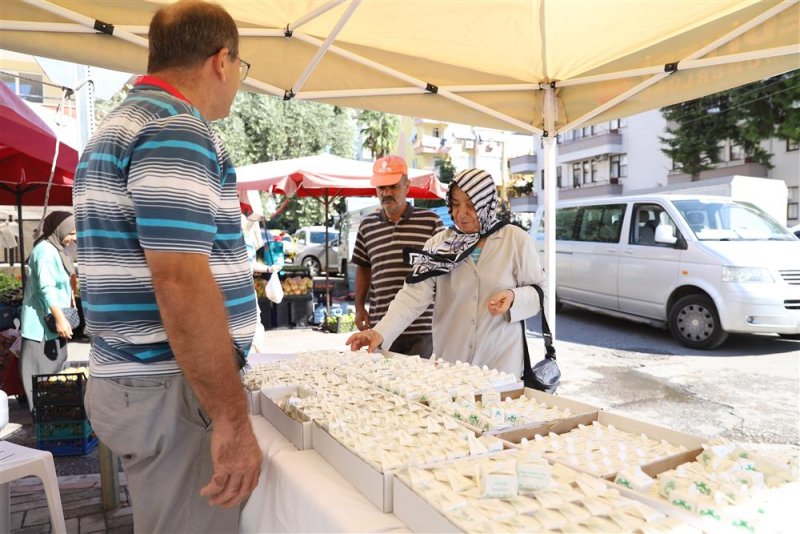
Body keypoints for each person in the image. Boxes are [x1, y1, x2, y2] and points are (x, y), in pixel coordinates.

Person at [73, 2, 261, 532]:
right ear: (221, 60)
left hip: (138, 378)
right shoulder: (176, 127)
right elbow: (179, 277)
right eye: (241, 69)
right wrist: (229, 417)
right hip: (169, 386)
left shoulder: (119, 125)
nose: (237, 82)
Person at [347, 168, 545, 377]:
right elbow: (413, 296)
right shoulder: (440, 244)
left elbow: (541, 291)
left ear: (486, 203)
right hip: (451, 363)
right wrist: (380, 332)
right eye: (456, 204)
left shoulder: (515, 240)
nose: (461, 213)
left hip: (500, 362)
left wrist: (515, 297)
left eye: (471, 204)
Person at [351, 156, 443, 358]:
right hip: (381, 327)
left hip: (421, 328)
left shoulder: (430, 222)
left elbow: (444, 273)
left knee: (420, 385)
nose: (386, 193)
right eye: (381, 188)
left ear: (407, 185)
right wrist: (359, 308)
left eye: (392, 186)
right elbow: (363, 269)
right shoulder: (367, 226)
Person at [19, 211, 76, 410]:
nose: (74, 237)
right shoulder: (44, 251)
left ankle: (53, 414)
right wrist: (60, 319)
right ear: (59, 230)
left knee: (54, 375)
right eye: (71, 232)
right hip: (41, 327)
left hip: (54, 324)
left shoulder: (58, 249)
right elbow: (46, 288)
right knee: (40, 377)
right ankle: (42, 418)